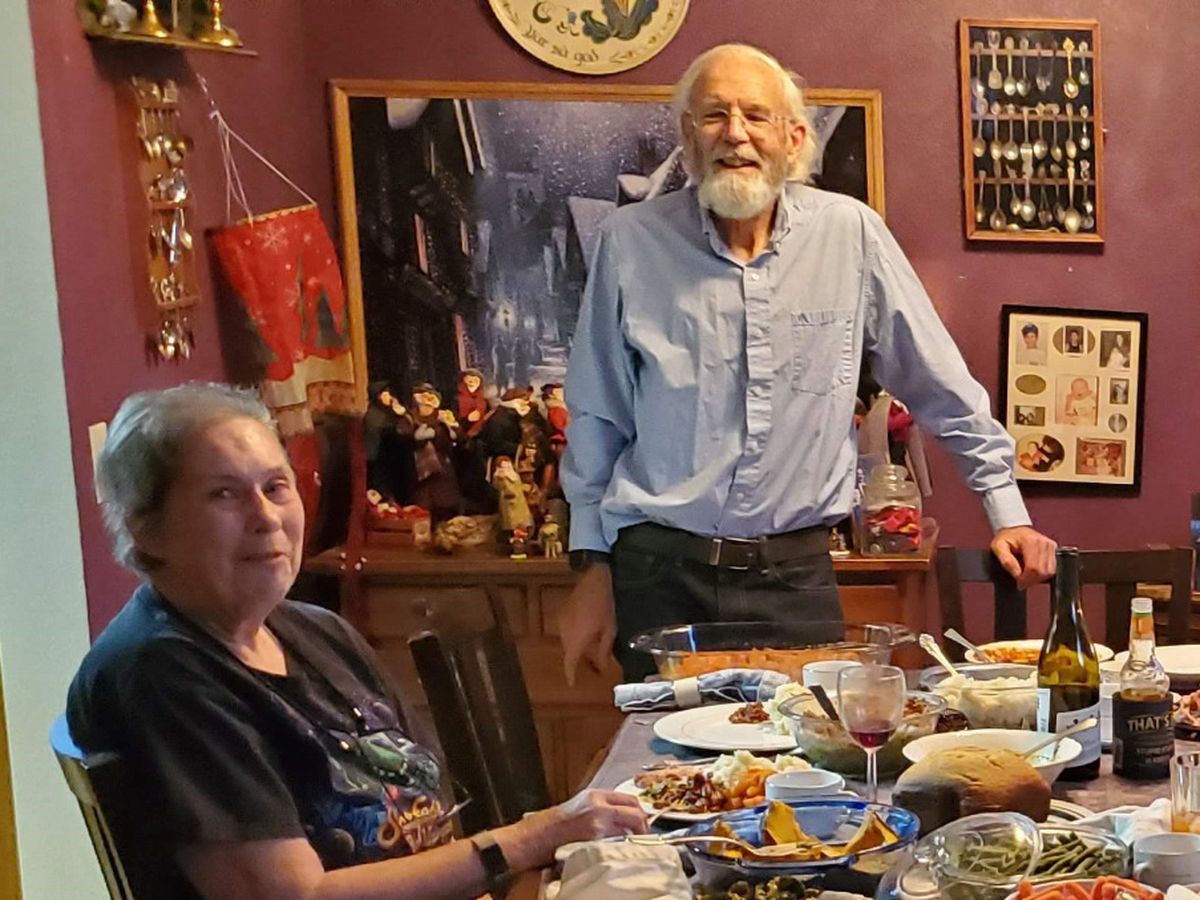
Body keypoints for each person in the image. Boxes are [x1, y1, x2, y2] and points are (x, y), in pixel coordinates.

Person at [559, 43, 1057, 682]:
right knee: (660, 747)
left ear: (793, 138)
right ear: (688, 134)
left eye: (755, 115)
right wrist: (591, 570)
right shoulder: (630, 242)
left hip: (793, 577)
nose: (734, 133)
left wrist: (1007, 512)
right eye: (713, 115)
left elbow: (939, 383)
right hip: (658, 574)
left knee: (806, 746)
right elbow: (598, 416)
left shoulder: (851, 234)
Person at [66, 383, 646, 900]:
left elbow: (438, 813)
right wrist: (528, 839)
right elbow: (296, 896)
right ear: (146, 527)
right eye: (224, 494)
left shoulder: (316, 632)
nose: (265, 517)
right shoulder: (163, 673)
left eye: (276, 486)